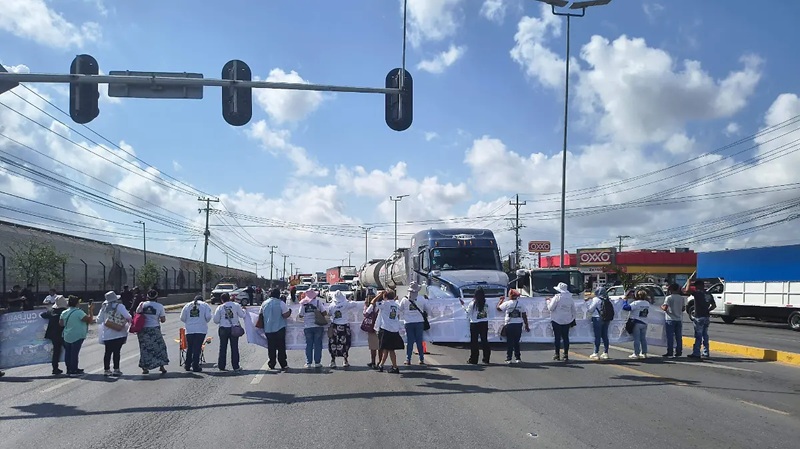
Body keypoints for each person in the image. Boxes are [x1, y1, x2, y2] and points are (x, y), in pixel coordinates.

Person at [366, 290, 404, 373]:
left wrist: (379, 295)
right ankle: (381, 365)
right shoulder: (396, 305)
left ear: (385, 296)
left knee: (389, 349)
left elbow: (373, 302)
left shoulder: (384, 304)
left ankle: (394, 367)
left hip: (386, 328)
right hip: (394, 329)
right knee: (387, 349)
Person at [97, 291, 132, 376]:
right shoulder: (120, 306)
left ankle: (106, 370)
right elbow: (128, 317)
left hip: (107, 334)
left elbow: (99, 320)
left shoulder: (104, 308)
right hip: (119, 333)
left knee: (107, 352)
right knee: (117, 352)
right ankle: (116, 369)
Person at [136, 289, 169, 374]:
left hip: (143, 330)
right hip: (154, 329)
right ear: (156, 297)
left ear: (147, 297)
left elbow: (137, 313)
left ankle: (144, 368)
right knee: (160, 347)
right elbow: (163, 320)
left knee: (144, 348)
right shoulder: (159, 306)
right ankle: (161, 366)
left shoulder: (142, 304)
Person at [59, 295, 94, 377]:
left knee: (68, 353)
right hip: (77, 335)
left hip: (67, 335)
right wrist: (90, 310)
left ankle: (69, 369)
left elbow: (61, 324)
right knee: (74, 353)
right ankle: (73, 370)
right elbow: (89, 320)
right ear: (77, 303)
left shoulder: (64, 312)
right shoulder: (79, 312)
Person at [213, 292, 246, 372]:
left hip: (223, 329)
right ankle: (235, 366)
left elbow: (216, 320)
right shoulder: (236, 305)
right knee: (234, 347)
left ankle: (221, 366)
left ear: (222, 300)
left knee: (223, 347)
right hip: (234, 329)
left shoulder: (220, 307)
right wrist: (244, 310)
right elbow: (242, 315)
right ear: (229, 298)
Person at [398, 282, 429, 366]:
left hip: (408, 322)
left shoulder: (404, 299)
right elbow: (427, 309)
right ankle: (421, 359)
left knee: (410, 342)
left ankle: (408, 359)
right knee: (419, 341)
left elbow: (399, 310)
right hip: (419, 322)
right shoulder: (421, 298)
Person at [261, 288, 291, 371]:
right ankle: (283, 364)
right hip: (279, 328)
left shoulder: (264, 303)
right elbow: (285, 315)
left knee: (271, 347)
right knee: (281, 347)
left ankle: (272, 363)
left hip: (268, 328)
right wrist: (290, 311)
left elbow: (261, 314)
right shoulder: (281, 303)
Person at [180, 294, 212, 372]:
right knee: (197, 348)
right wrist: (203, 321)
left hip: (189, 330)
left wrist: (189, 322)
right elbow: (208, 317)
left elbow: (182, 318)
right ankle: (195, 366)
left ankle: (187, 365)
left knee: (190, 348)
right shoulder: (205, 305)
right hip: (201, 330)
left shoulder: (187, 305)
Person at [327, 290, 359, 368]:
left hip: (335, 326)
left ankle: (333, 361)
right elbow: (355, 304)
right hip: (344, 326)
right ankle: (345, 360)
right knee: (345, 343)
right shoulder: (346, 304)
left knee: (333, 343)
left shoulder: (332, 305)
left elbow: (329, 314)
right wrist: (348, 300)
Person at [496, 289, 529, 364]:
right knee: (516, 342)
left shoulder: (507, 303)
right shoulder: (521, 304)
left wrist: (501, 300)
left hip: (509, 324)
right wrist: (526, 325)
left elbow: (498, 308)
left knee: (510, 342)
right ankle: (518, 358)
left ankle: (509, 358)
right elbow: (524, 315)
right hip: (518, 324)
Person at [459, 287, 491, 365]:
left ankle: (474, 359)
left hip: (474, 323)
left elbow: (467, 313)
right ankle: (486, 359)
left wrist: (463, 305)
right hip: (484, 322)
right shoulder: (487, 302)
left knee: (474, 342)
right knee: (484, 341)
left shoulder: (472, 303)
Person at [297, 289, 328, 369]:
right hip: (318, 326)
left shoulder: (303, 303)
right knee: (318, 344)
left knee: (309, 345)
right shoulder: (318, 302)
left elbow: (300, 315)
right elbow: (324, 313)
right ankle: (317, 362)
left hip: (308, 326)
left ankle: (308, 363)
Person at [547, 282, 577, 362]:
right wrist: (571, 319)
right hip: (566, 320)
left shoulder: (557, 297)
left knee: (557, 338)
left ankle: (557, 354)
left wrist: (548, 302)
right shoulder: (570, 298)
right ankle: (566, 355)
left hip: (556, 320)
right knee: (565, 338)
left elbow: (551, 308)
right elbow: (574, 310)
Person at [688, 280, 716, 359]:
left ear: (699, 285)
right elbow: (713, 305)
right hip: (706, 316)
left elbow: (687, 290)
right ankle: (706, 352)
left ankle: (696, 353)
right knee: (705, 335)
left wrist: (688, 282)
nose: (695, 287)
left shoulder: (698, 293)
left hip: (699, 316)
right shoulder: (708, 294)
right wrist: (707, 310)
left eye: (696, 286)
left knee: (698, 335)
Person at [42, 295, 68, 375]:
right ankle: (70, 368)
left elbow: (43, 315)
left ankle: (55, 368)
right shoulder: (65, 312)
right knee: (68, 351)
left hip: (53, 334)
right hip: (63, 334)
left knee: (56, 351)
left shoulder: (51, 312)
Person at [585, 287, 612, 360]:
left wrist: (587, 302)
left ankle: (596, 353)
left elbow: (590, 309)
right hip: (606, 318)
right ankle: (605, 352)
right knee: (605, 335)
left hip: (597, 318)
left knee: (597, 336)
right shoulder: (607, 299)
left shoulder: (596, 299)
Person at [623, 289, 651, 359]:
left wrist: (625, 301)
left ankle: (636, 353)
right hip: (644, 322)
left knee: (636, 339)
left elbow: (626, 308)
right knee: (643, 338)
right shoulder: (647, 303)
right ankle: (644, 353)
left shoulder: (636, 303)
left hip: (636, 322)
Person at [661, 283, 686, 358]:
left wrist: (661, 307)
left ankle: (670, 351)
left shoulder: (669, 298)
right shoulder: (682, 298)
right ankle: (679, 351)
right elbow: (683, 309)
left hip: (670, 319)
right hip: (679, 319)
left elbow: (665, 308)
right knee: (678, 337)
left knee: (670, 337)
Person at [363, 293, 380, 368]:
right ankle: (380, 362)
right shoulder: (380, 305)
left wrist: (365, 305)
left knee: (373, 347)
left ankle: (373, 362)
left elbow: (365, 313)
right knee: (379, 346)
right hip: (380, 327)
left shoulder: (371, 306)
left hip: (372, 327)